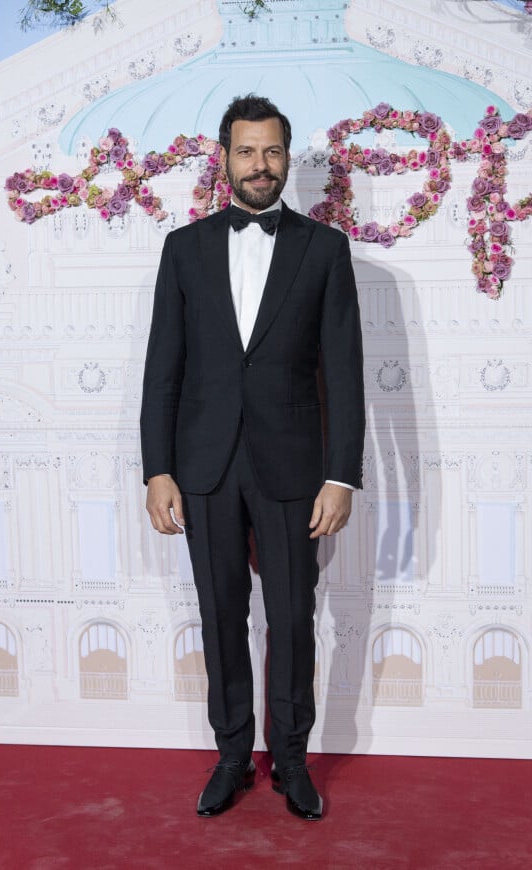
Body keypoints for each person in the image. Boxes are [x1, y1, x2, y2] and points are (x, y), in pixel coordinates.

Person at [140, 94, 365, 821]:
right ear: (225, 157)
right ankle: (232, 757)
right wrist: (157, 469)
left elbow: (345, 370)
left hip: (296, 467)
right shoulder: (185, 248)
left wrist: (341, 474)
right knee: (220, 615)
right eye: (246, 151)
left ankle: (292, 762)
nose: (259, 165)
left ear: (286, 158)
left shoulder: (324, 248)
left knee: (293, 617)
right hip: (202, 466)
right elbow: (162, 370)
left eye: (271, 152)